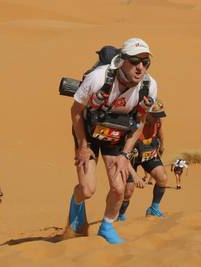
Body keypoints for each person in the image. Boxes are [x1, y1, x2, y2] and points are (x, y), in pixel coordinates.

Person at [67, 37, 158, 244]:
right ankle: (76, 205)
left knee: (120, 188)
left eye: (145, 62)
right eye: (135, 61)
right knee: (88, 189)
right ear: (122, 60)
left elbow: (141, 120)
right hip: (88, 132)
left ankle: (106, 226)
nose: (140, 67)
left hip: (116, 134)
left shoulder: (149, 86)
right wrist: (82, 145)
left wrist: (126, 155)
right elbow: (76, 112)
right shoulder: (98, 78)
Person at [118, 99, 168, 221]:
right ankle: (120, 216)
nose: (157, 119)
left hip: (148, 149)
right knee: (128, 191)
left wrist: (162, 146)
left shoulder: (157, 121)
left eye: (159, 116)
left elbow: (160, 132)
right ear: (146, 113)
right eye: (155, 116)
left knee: (163, 178)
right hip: (131, 154)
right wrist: (135, 176)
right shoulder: (133, 123)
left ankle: (153, 209)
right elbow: (123, 154)